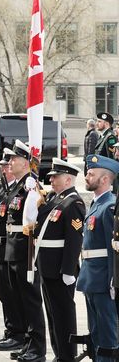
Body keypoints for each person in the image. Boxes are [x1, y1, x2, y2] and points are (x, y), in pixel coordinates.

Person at [34, 158, 85, 362]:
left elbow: (74, 240)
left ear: (68, 179)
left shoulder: (74, 203)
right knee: (53, 313)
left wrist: (68, 270)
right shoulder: (57, 199)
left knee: (63, 313)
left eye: (55, 177)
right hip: (47, 265)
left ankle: (67, 354)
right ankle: (59, 352)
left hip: (60, 268)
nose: (52, 180)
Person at [4, 140, 46, 362]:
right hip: (13, 247)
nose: (10, 162)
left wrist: (33, 190)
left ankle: (38, 348)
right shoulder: (18, 186)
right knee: (20, 299)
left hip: (24, 250)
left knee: (30, 301)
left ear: (25, 162)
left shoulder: (31, 187)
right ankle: (27, 342)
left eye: (14, 159)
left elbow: (34, 218)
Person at [76, 154, 119, 361]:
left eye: (91, 174)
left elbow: (114, 249)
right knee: (95, 330)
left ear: (104, 180)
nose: (86, 176)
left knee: (107, 330)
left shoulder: (110, 206)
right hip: (91, 277)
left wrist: (113, 279)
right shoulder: (96, 205)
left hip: (103, 279)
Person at [0, 150, 25, 350]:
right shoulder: (1, 189)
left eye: (6, 165)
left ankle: (18, 333)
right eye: (2, 166)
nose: (3, 169)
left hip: (6, 248)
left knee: (11, 294)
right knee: (3, 293)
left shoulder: (19, 190)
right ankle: (10, 330)